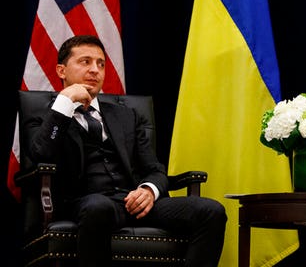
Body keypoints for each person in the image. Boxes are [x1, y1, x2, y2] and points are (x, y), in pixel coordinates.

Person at [23, 34, 227, 267]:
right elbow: (41, 154)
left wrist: (148, 191)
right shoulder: (46, 116)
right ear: (61, 71)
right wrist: (66, 100)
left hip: (134, 201)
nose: (95, 70)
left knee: (211, 211)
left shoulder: (126, 116)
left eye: (101, 64)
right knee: (97, 207)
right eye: (85, 62)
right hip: (85, 203)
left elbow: (155, 170)